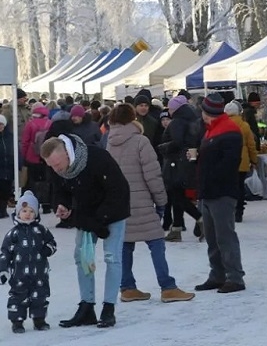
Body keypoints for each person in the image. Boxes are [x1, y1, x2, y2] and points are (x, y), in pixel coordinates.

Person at [106, 104, 194, 303]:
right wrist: (161, 200)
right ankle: (167, 286)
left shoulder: (110, 142)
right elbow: (153, 175)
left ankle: (127, 287)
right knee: (156, 243)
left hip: (121, 204)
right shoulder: (140, 141)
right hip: (143, 202)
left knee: (126, 245)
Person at [40, 134, 131, 328]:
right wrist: (61, 205)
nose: (56, 170)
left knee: (112, 257)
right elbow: (59, 190)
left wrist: (101, 222)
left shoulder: (97, 158)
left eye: (57, 164)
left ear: (67, 152)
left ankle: (109, 308)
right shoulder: (58, 168)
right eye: (51, 166)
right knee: (82, 257)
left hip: (114, 211)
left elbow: (119, 191)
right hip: (87, 214)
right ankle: (87, 306)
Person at [193, 93, 246, 294]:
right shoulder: (210, 131)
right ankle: (217, 274)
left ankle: (234, 277)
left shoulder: (229, 131)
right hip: (208, 192)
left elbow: (228, 164)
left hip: (221, 192)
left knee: (225, 236)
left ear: (208, 113)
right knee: (212, 238)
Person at [0, 191, 57, 333]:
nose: (28, 214)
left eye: (32, 211)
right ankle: (17, 321)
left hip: (39, 273)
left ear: (36, 213)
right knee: (18, 297)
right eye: (24, 211)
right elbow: (5, 252)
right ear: (18, 212)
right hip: (19, 275)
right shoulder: (13, 233)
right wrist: (3, 270)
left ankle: (39, 319)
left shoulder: (41, 230)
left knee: (40, 296)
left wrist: (48, 249)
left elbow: (52, 243)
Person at [158, 95, 203, 242]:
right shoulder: (194, 118)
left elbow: (177, 142)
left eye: (170, 108)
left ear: (176, 108)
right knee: (177, 194)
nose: (169, 111)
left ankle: (200, 219)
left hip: (176, 162)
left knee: (176, 195)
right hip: (187, 161)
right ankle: (176, 228)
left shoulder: (177, 121)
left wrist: (162, 147)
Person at [224, 100, 258, 223]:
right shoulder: (244, 125)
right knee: (240, 187)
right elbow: (251, 145)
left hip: (226, 161)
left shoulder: (223, 125)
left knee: (228, 187)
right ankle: (239, 212)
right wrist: (254, 160)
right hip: (242, 160)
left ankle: (229, 210)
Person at [0, 115, 13, 218]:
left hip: (8, 167)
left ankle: (3, 209)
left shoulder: (9, 136)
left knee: (6, 189)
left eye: (1, 124)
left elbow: (15, 150)